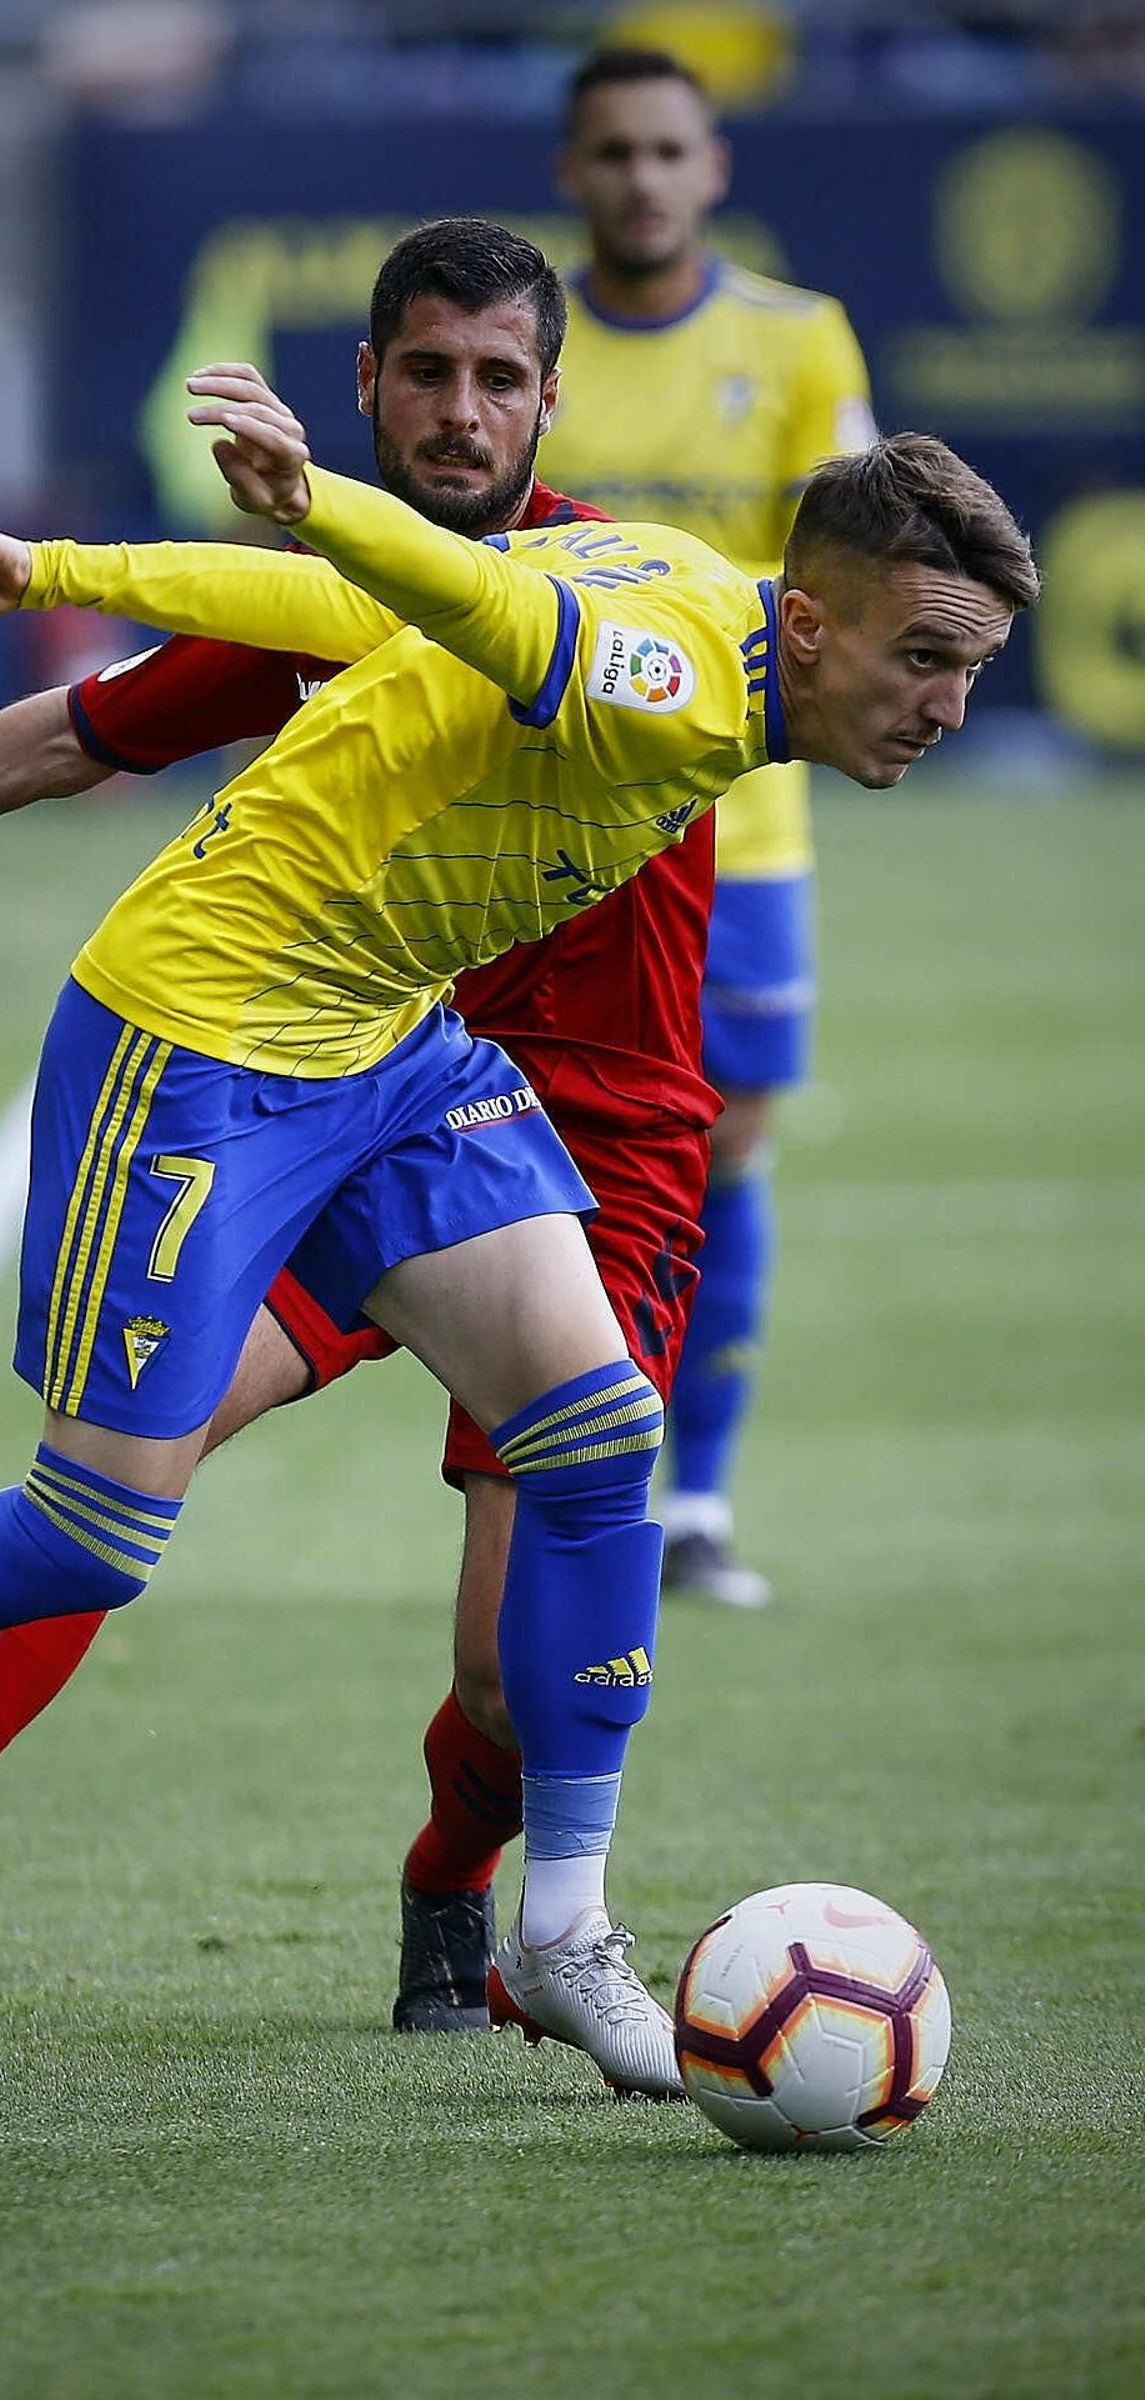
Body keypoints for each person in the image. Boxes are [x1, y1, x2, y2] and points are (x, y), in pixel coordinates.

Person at [0, 231, 1035, 2112]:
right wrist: (301, 510)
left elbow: (354, 615)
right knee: (87, 1536)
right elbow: (489, 625)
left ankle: (558, 1926)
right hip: (201, 1041)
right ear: (817, 630)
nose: (949, 705)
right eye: (928, 660)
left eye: (970, 668)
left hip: (394, 1048)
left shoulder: (691, 576)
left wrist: (66, 568)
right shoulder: (667, 665)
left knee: (592, 1448)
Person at [0, 221, 718, 2044]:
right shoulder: (325, 604)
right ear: (365, 387)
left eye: (496, 379)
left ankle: (452, 1888)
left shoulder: (604, 594)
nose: (457, 413)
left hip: (591, 1159)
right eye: (423, 374)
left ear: (546, 403)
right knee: (123, 1465)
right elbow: (79, 732)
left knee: (513, 1680)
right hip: (348, 1090)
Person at [545, 46, 878, 1607]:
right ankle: (571, 1479)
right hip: (547, 823)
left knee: (726, 1145)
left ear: (714, 167)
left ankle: (699, 1500)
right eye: (613, 151)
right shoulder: (521, 347)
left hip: (742, 824)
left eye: (667, 150)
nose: (641, 178)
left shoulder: (797, 342)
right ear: (573, 170)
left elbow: (862, 561)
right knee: (531, 1159)